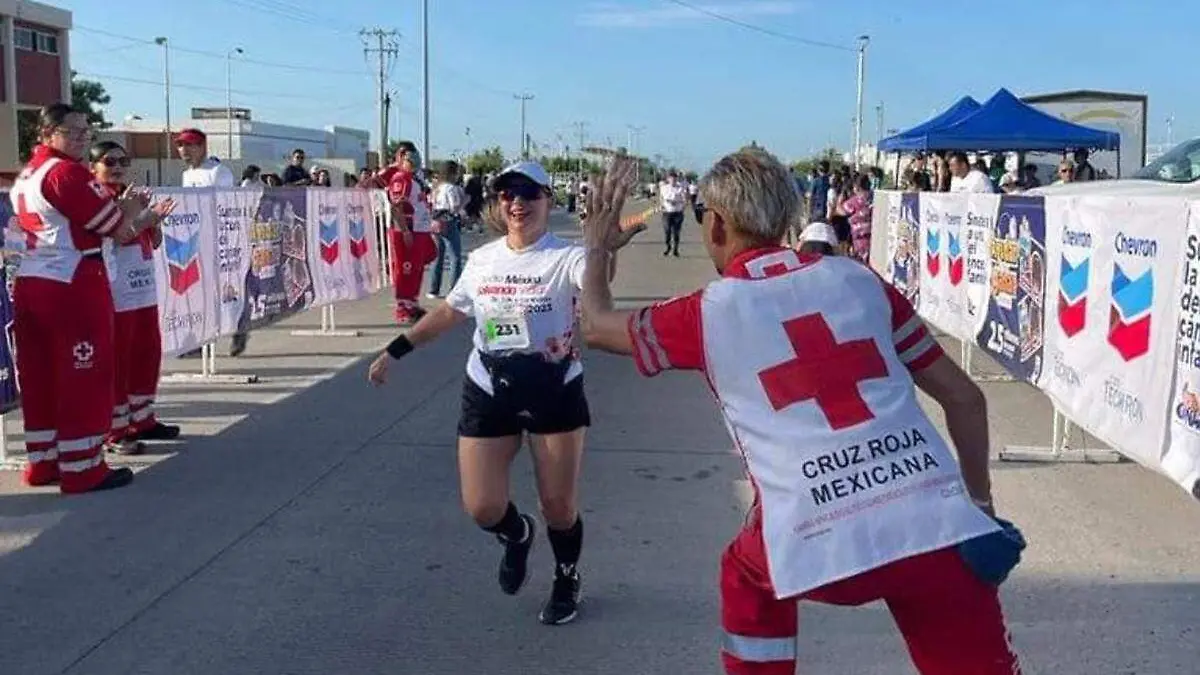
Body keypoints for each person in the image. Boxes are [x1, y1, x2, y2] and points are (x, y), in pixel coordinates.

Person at [576, 151, 1024, 674]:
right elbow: (965, 398)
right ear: (788, 219)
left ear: (717, 224)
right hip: (933, 520)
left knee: (746, 574)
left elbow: (595, 324)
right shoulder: (860, 281)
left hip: (816, 540)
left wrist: (595, 246)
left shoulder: (706, 313)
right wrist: (979, 509)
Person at [367, 160, 642, 626]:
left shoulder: (567, 257)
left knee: (558, 505)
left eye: (529, 193)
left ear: (547, 201)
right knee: (482, 506)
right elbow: (451, 313)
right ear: (498, 204)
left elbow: (598, 297)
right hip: (490, 385)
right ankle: (517, 536)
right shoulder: (482, 259)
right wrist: (396, 350)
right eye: (506, 194)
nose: (517, 202)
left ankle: (565, 574)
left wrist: (599, 251)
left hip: (553, 386)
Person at [11, 103, 175, 493]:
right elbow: (117, 229)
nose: (83, 138)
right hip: (72, 282)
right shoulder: (67, 173)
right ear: (48, 134)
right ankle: (83, 467)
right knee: (84, 375)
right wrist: (140, 215)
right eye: (74, 132)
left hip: (33, 277)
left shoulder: (28, 173)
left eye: (86, 130)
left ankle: (44, 461)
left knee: (40, 377)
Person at [89, 140, 181, 454]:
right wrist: (131, 214)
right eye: (108, 161)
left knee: (147, 354)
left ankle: (143, 419)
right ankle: (114, 431)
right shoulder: (96, 199)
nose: (116, 167)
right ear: (94, 167)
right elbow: (114, 236)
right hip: (116, 293)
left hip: (143, 290)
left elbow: (152, 242)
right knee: (119, 361)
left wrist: (153, 219)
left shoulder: (132, 195)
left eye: (122, 161)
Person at [370, 142, 437, 325]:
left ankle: (412, 302)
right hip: (407, 229)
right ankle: (403, 307)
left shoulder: (415, 178)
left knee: (420, 265)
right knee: (406, 268)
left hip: (420, 228)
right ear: (401, 158)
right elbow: (397, 207)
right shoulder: (401, 178)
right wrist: (405, 230)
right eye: (409, 157)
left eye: (416, 156)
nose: (414, 161)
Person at [428, 160, 467, 298]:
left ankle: (433, 289)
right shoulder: (451, 188)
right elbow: (454, 207)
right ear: (452, 173)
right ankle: (454, 290)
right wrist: (464, 201)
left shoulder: (436, 187)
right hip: (448, 222)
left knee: (438, 256)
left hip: (435, 222)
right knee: (455, 257)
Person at [659, 171, 687, 257]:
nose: (673, 180)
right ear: (668, 179)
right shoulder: (664, 188)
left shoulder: (681, 188)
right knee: (667, 231)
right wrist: (661, 205)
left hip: (677, 212)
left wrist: (680, 204)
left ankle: (675, 249)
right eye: (671, 178)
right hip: (667, 212)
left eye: (675, 178)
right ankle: (668, 247)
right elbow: (661, 197)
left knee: (676, 232)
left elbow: (685, 199)